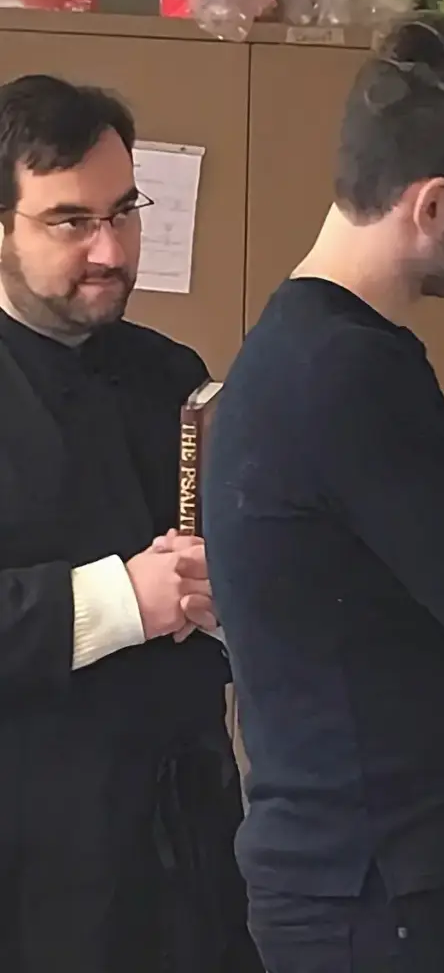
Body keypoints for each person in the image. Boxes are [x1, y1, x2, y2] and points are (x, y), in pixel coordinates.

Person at [202, 12, 444, 973]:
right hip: (387, 885)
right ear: (436, 206)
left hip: (351, 870)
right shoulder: (353, 372)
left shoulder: (292, 345)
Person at [0, 74, 260, 972]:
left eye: (124, 211)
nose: (110, 249)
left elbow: (221, 565)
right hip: (35, 870)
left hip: (190, 839)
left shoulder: (171, 372)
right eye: (70, 221)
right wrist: (126, 600)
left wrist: (228, 590)